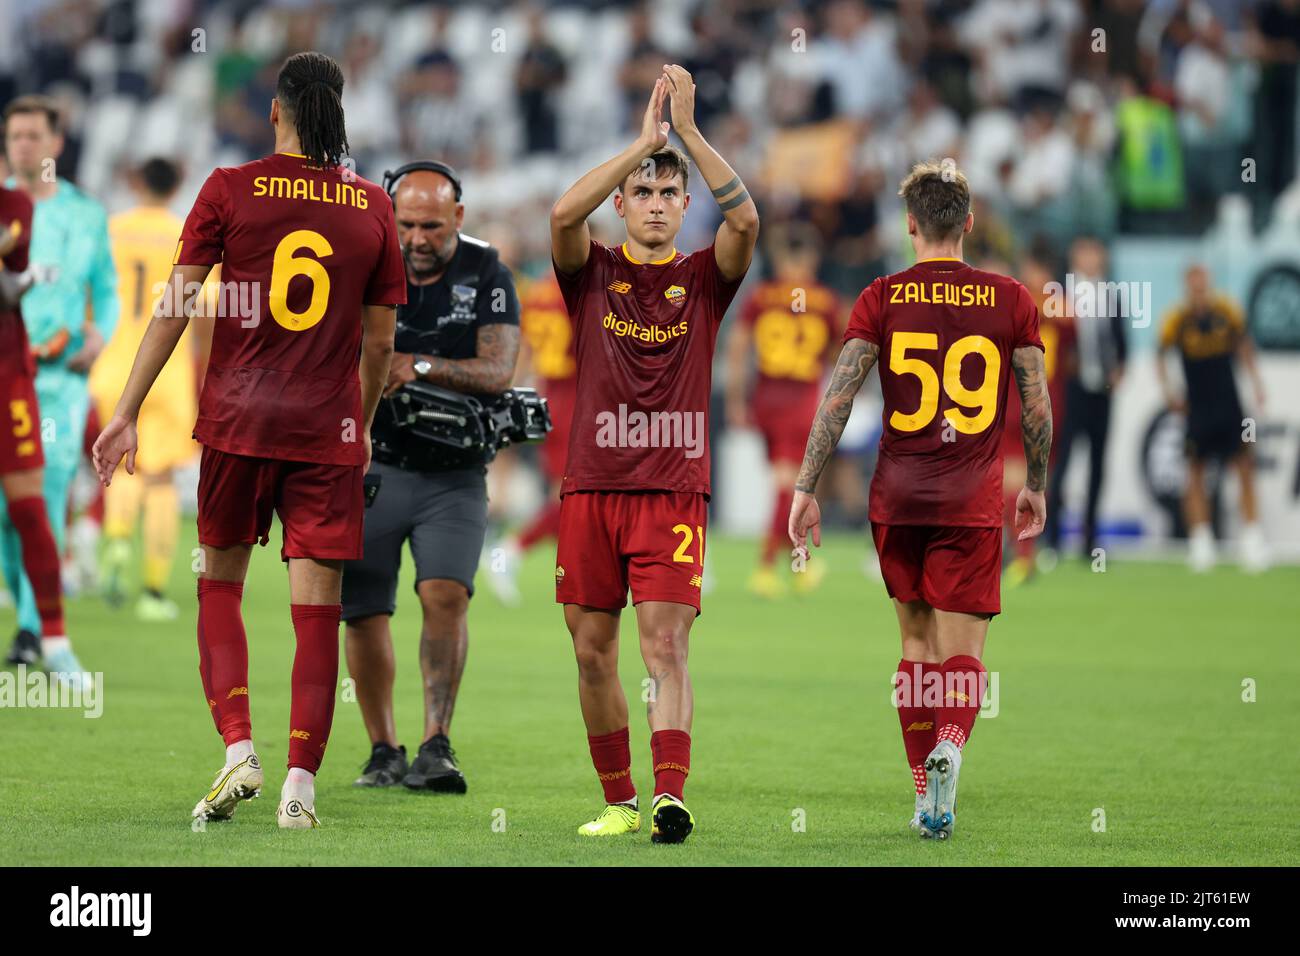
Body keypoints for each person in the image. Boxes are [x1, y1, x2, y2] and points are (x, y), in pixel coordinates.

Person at [92, 51, 405, 829]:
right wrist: (357, 427)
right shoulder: (371, 205)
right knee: (317, 611)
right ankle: (301, 784)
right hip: (324, 431)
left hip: (236, 420)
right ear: (339, 113)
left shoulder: (228, 188)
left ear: (275, 112)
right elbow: (379, 346)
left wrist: (128, 408)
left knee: (219, 587)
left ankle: (239, 749)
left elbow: (174, 304)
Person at [788, 160, 1052, 840]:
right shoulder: (1012, 299)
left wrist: (806, 487)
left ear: (910, 227)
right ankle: (952, 748)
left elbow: (839, 399)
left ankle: (922, 795)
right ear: (969, 224)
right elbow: (1037, 407)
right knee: (964, 646)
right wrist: (1038, 485)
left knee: (914, 642)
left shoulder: (880, 296)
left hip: (896, 497)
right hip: (969, 497)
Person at [549, 66, 758, 842]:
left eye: (671, 194)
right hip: (592, 489)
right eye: (644, 191)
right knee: (592, 651)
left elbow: (749, 226)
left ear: (686, 206)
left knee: (664, 643)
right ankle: (619, 798)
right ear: (623, 204)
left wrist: (690, 137)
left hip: (672, 490)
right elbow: (561, 213)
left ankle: (670, 794)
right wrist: (641, 144)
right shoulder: (593, 271)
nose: (658, 204)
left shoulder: (705, 279)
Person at [343, 160, 520, 791]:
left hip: (453, 474)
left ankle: (436, 742)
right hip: (373, 463)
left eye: (432, 227)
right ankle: (382, 748)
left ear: (459, 219)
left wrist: (412, 364)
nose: (416, 239)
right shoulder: (361, 259)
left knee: (445, 595)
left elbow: (499, 368)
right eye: (406, 224)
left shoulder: (486, 269)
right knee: (363, 608)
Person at [1, 95, 118, 672]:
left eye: (31, 135)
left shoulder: (85, 214)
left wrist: (101, 337)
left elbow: (110, 290)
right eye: (14, 135)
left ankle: (31, 630)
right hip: (6, 373)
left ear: (55, 143)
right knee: (7, 510)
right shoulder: (4, 209)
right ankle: (31, 623)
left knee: (44, 495)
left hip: (59, 381)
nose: (22, 145)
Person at [88, 158, 203, 620]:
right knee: (159, 481)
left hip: (115, 367)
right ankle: (153, 592)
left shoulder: (111, 231)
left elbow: (88, 296)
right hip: (168, 372)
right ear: (177, 186)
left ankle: (116, 541)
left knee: (116, 464)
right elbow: (204, 309)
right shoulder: (187, 235)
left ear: (135, 181)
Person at [724, 225, 840, 598]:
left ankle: (801, 564)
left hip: (765, 397)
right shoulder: (824, 300)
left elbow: (738, 349)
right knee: (790, 487)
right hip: (800, 399)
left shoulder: (761, 297)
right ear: (810, 259)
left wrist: (735, 401)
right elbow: (842, 353)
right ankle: (765, 567)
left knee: (788, 484)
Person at [0, 184, 82, 688]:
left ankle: (54, 640)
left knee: (28, 508)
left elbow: (10, 289)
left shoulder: (15, 207)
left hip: (7, 376)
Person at [1156, 263, 1269, 572]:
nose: (1199, 289)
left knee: (1244, 465)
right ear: (1185, 285)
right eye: (1193, 283)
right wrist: (1169, 392)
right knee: (1194, 471)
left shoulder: (1227, 312)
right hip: (1198, 407)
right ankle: (1201, 540)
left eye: (1202, 282)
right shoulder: (1176, 320)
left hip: (1230, 405)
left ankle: (1252, 538)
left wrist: (1257, 383)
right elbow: (1161, 356)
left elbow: (1244, 346)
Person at [489, 269, 575, 605]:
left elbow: (524, 348)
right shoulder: (579, 292)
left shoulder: (539, 292)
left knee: (571, 496)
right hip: (577, 395)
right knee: (572, 496)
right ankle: (508, 551)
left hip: (548, 394)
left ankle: (572, 567)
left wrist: (515, 391)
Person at [1043, 236, 1125, 561]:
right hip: (1072, 389)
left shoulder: (1111, 295)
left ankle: (1089, 539)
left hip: (1101, 390)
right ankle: (1053, 538)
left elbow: (1120, 339)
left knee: (1097, 464)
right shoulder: (1061, 295)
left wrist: (1120, 368)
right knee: (1062, 462)